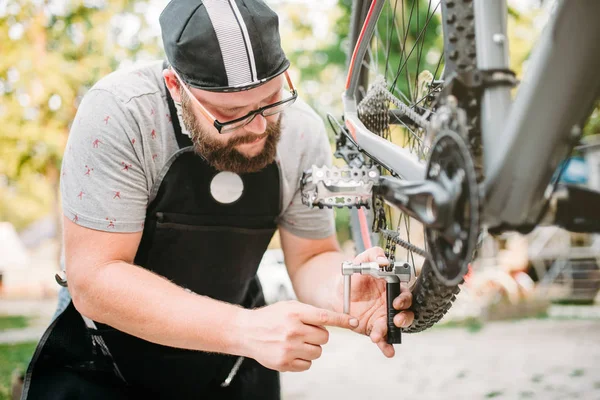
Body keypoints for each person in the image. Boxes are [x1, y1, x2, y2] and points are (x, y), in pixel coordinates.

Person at [22, 0, 414, 398]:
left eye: (272, 100)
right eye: (233, 113)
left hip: (229, 372)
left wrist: (344, 288)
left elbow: (311, 256)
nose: (260, 126)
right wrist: (245, 330)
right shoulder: (121, 115)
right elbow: (95, 277)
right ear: (177, 88)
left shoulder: (300, 132)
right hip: (103, 367)